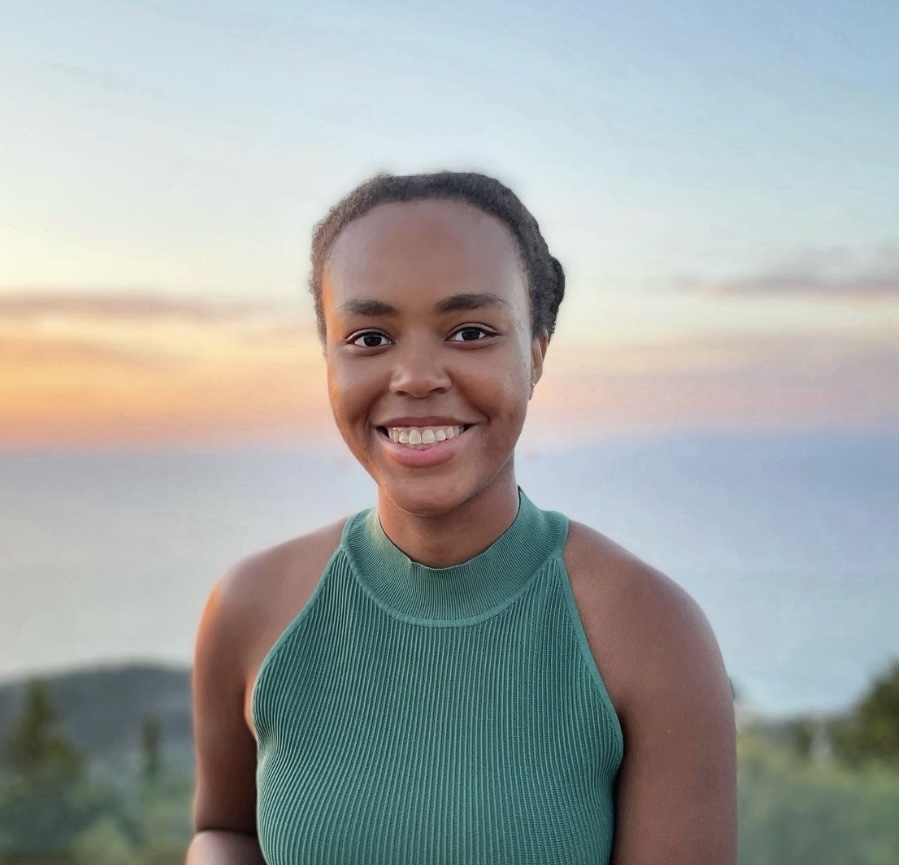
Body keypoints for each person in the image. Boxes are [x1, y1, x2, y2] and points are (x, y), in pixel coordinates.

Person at [186, 172, 737, 865]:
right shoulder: (251, 608)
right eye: (369, 337)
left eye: (470, 331)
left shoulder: (650, 633)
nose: (416, 376)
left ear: (535, 352)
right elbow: (225, 831)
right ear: (327, 359)